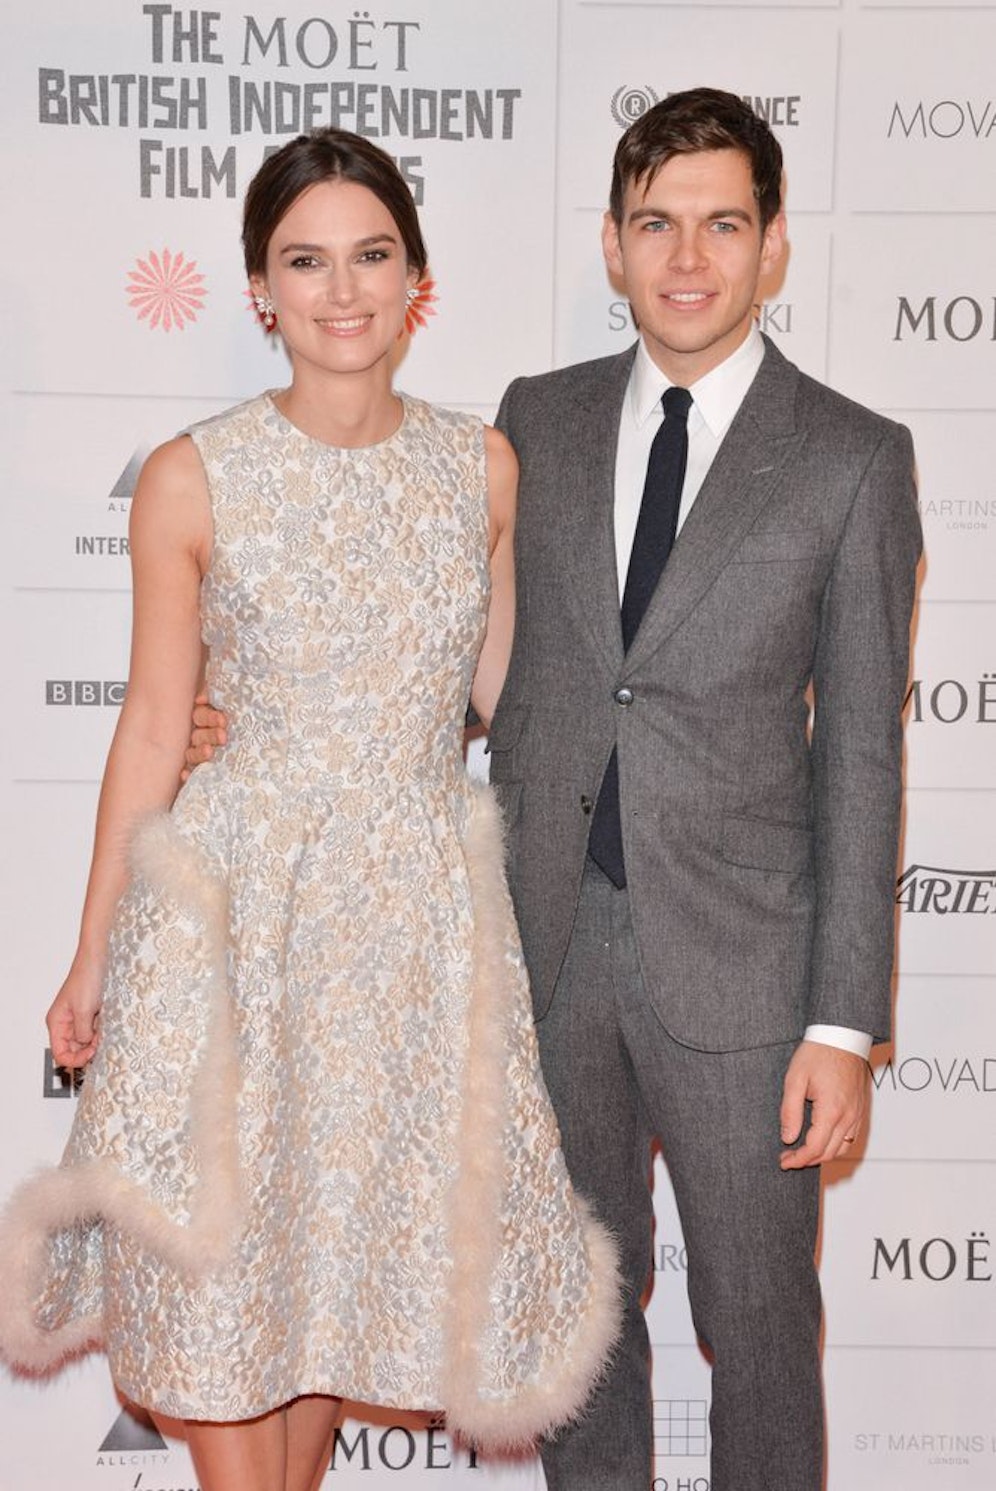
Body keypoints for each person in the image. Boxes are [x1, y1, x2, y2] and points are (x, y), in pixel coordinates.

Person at [184, 90, 922, 1490]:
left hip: (750, 973)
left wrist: (842, 1022)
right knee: (577, 1324)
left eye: (722, 225)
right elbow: (481, 670)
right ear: (611, 244)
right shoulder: (539, 420)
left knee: (760, 1326)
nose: (687, 258)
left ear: (772, 245)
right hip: (544, 949)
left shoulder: (851, 456)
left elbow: (864, 758)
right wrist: (256, 723)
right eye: (656, 225)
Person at [0, 129, 620, 1491]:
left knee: (314, 1288)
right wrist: (93, 953)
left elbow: (504, 701)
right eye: (305, 262)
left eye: (371, 256)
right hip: (231, 916)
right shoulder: (193, 472)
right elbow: (153, 723)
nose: (343, 291)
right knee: (223, 1285)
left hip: (404, 930)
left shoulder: (482, 470)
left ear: (417, 281)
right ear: (260, 293)